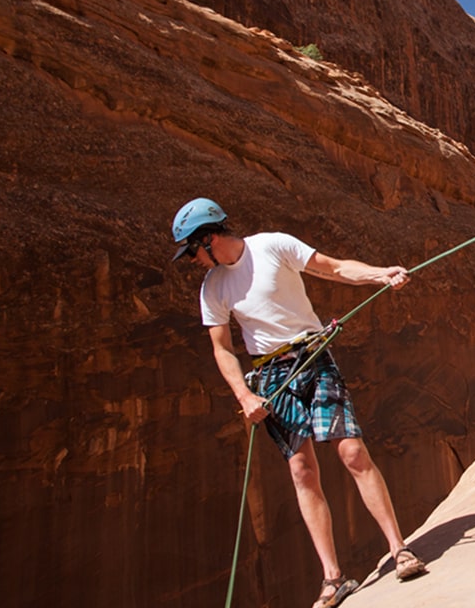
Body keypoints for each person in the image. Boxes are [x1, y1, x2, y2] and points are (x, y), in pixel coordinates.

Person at [172, 198, 427, 608]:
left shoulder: (272, 245)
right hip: (272, 378)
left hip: (313, 357)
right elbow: (222, 350)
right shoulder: (213, 288)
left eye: (192, 251)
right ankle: (333, 578)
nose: (192, 261)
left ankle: (400, 550)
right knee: (302, 470)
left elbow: (333, 267)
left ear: (209, 238)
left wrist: (381, 274)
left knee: (353, 452)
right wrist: (245, 395)